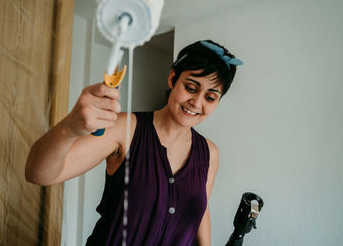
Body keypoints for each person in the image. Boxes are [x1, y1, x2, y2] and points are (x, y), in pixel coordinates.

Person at [25, 39, 243, 246]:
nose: (196, 102)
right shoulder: (125, 128)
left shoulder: (210, 154)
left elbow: (200, 212)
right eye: (191, 88)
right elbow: (39, 174)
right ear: (172, 78)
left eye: (211, 97)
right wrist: (69, 128)